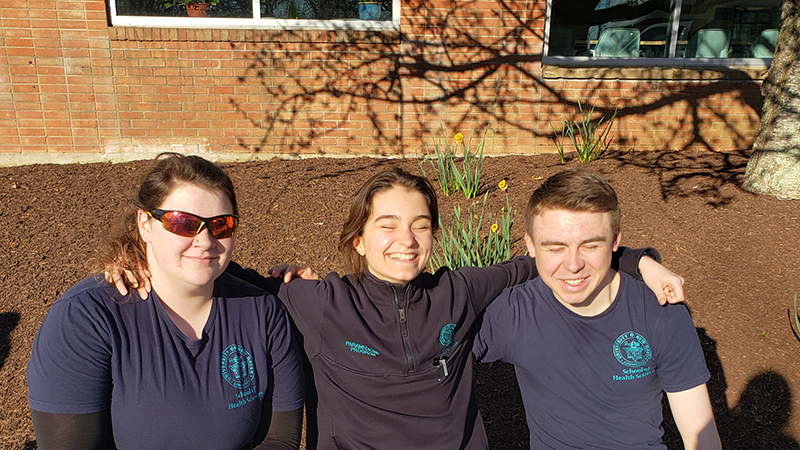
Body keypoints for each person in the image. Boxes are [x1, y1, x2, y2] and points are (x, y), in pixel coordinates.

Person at [109, 167, 684, 450]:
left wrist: (639, 259)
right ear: (358, 238)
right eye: (387, 226)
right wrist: (135, 253)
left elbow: (550, 257)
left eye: (421, 225)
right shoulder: (317, 300)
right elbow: (210, 263)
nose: (405, 240)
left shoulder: (460, 291)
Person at [27, 154, 305, 450]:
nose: (206, 240)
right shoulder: (85, 320)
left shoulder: (262, 313)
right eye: (183, 223)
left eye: (221, 225)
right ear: (145, 224)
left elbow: (280, 439)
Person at [472, 168, 721, 450]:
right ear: (531, 245)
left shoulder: (660, 311)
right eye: (555, 248)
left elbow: (700, 435)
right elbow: (431, 345)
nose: (573, 264)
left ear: (615, 240)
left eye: (590, 245)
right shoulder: (514, 313)